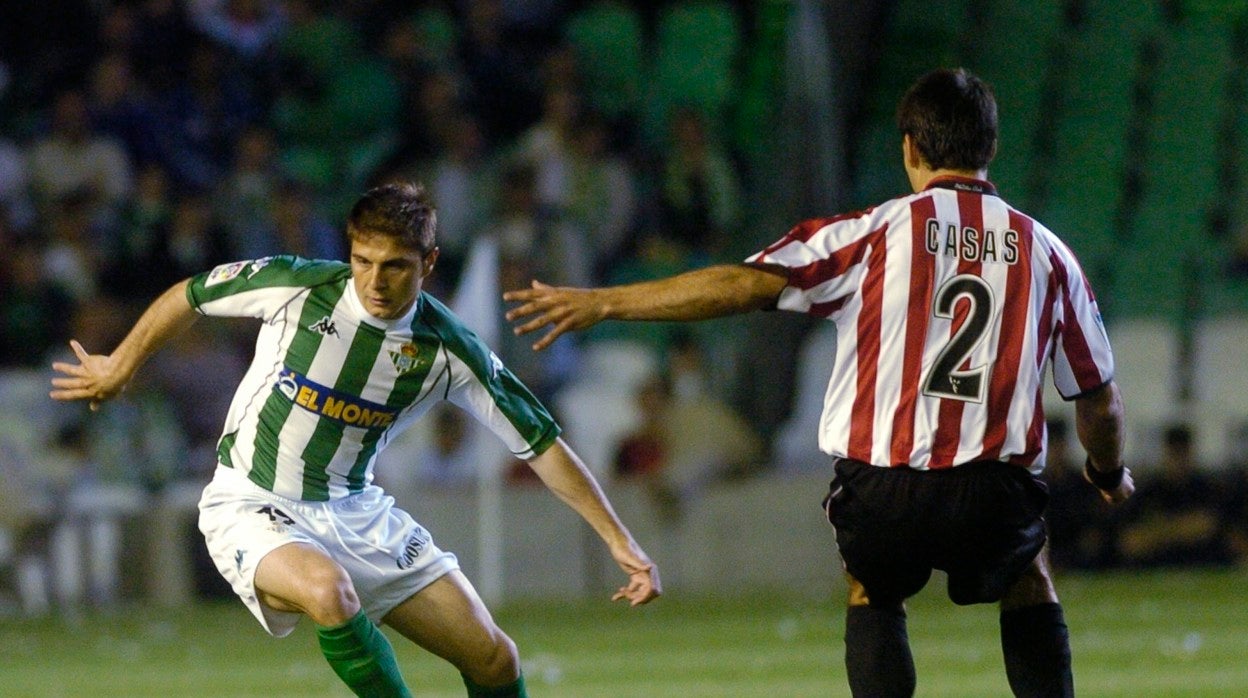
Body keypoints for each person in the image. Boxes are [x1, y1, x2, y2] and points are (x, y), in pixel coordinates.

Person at [504, 68, 1133, 697]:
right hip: (995, 488)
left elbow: (741, 285)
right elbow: (1098, 399)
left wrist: (607, 302)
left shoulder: (872, 233)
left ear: (910, 147)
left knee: (873, 588)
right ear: (990, 148)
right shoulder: (1048, 253)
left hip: (886, 487)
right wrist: (1106, 472)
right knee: (1028, 576)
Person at [50, 181, 660, 697]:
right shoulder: (300, 285)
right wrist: (120, 365)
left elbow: (543, 446)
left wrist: (620, 540)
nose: (375, 281)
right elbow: (191, 294)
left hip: (357, 511)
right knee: (326, 590)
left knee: (495, 660)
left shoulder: (449, 350)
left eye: (395, 266)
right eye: (364, 260)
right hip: (251, 501)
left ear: (430, 263)